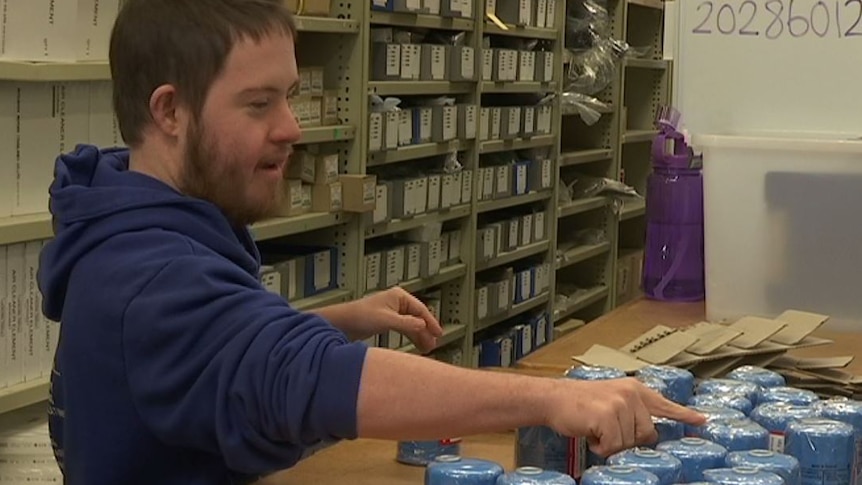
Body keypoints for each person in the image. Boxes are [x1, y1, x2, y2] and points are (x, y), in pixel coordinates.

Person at [36, 0, 705, 483]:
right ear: (170, 110)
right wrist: (552, 398)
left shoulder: (128, 220)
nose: (293, 128)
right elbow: (303, 378)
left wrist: (337, 317)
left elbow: (201, 353)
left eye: (291, 97)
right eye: (258, 103)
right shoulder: (153, 279)